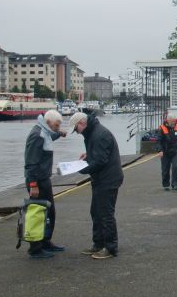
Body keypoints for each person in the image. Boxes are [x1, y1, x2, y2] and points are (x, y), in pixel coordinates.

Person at [69, 112, 124, 260]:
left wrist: (81, 168)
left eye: (76, 129)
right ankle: (98, 243)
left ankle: (111, 247)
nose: (77, 132)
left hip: (108, 179)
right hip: (101, 179)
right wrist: (88, 156)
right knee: (96, 212)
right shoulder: (93, 133)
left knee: (105, 214)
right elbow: (98, 154)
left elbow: (101, 161)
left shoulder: (99, 134)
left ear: (82, 123)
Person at [23, 109, 66, 259]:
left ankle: (46, 241)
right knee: (37, 214)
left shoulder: (45, 131)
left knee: (49, 213)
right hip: (37, 181)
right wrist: (33, 184)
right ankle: (35, 248)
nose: (58, 127)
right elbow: (31, 162)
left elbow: (50, 137)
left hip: (44, 179)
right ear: (48, 123)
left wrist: (59, 134)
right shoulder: (38, 135)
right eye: (56, 125)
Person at [158, 113, 177, 190]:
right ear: (168, 121)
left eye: (174, 121)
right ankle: (166, 185)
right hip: (165, 152)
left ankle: (175, 184)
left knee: (175, 167)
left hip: (175, 152)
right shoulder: (162, 129)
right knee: (165, 169)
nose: (173, 123)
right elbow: (159, 141)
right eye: (172, 121)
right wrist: (160, 150)